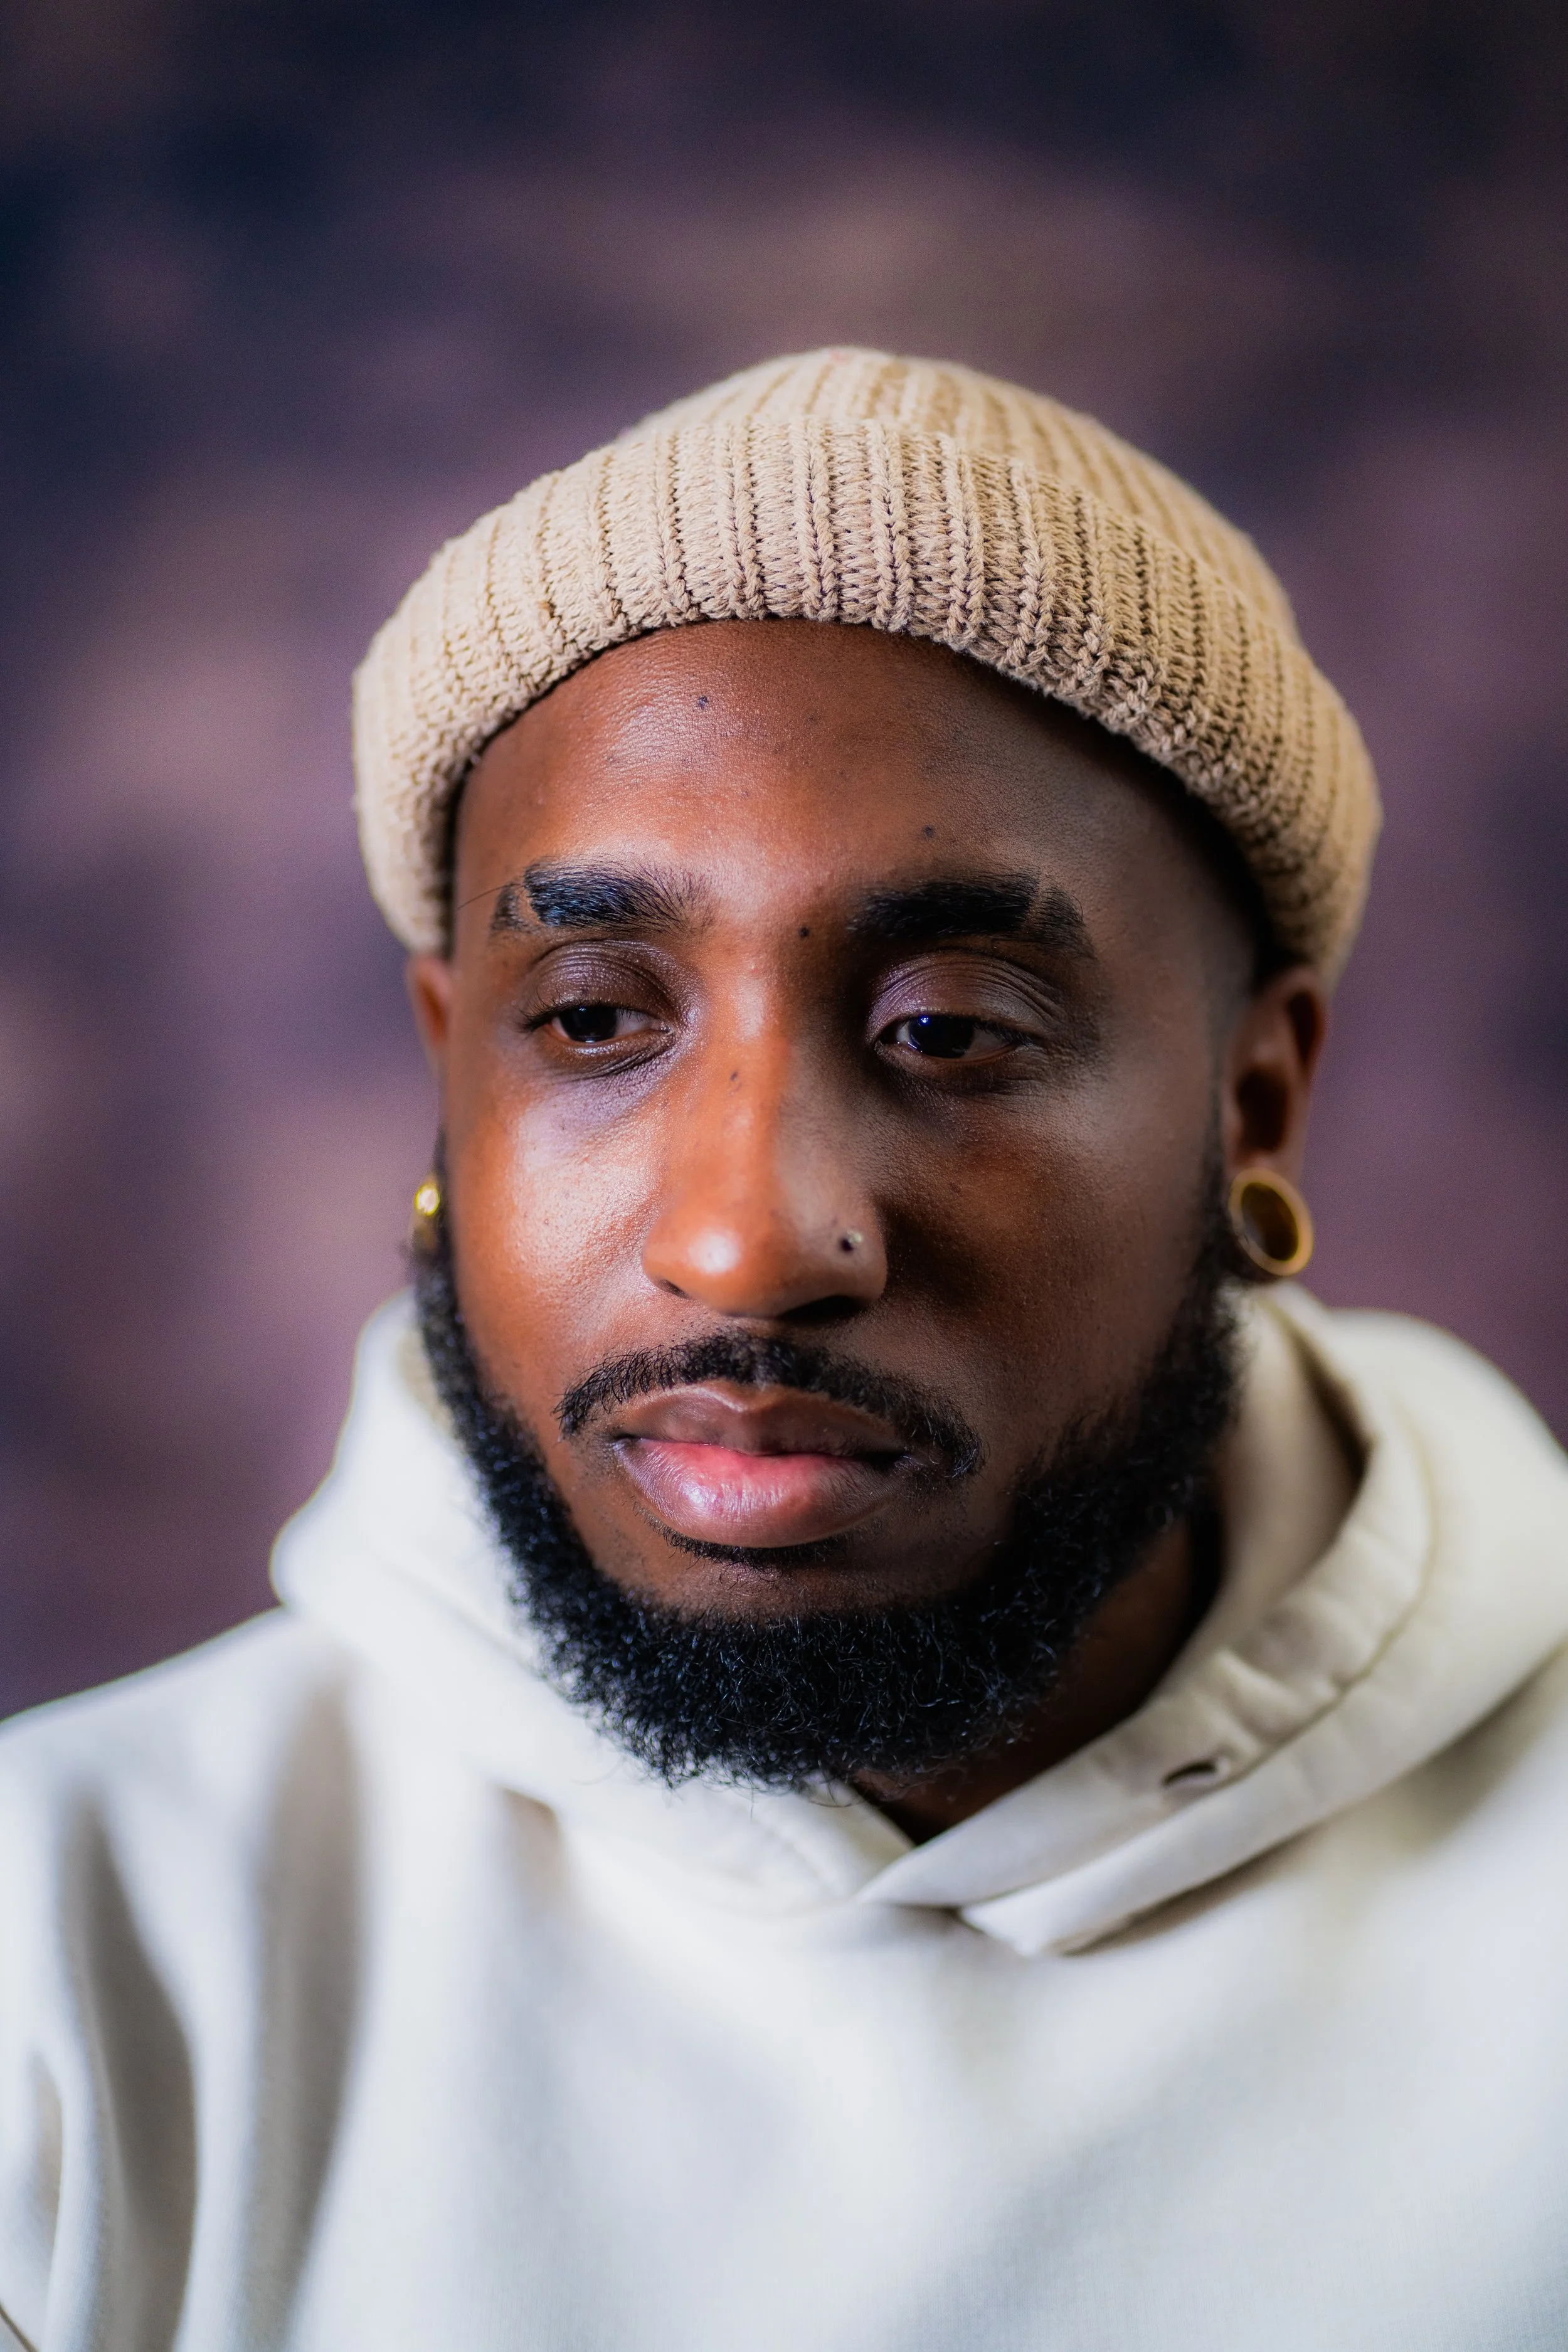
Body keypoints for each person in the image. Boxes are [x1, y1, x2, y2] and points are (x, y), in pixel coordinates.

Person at [3, 349, 1566, 2352]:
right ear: (443, 1079)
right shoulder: (60, 1961)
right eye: (589, 1019)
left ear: (1249, 1106)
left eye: (949, 1026)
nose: (745, 1233)